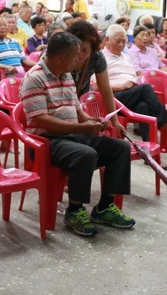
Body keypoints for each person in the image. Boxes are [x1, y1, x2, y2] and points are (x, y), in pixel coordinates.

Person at [20, 32, 134, 236]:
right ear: (62, 57)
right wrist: (80, 128)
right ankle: (74, 211)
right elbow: (40, 119)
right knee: (85, 154)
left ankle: (105, 207)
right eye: (76, 56)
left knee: (119, 148)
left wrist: (91, 120)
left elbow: (75, 109)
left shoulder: (65, 75)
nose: (79, 60)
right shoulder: (34, 78)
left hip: (71, 136)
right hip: (46, 140)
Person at [100, 25, 167, 145]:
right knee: (145, 89)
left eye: (123, 41)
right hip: (113, 96)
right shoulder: (100, 57)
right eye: (117, 41)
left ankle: (150, 152)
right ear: (107, 40)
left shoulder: (125, 57)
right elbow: (96, 85)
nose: (121, 45)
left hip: (131, 94)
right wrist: (122, 86)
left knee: (143, 106)